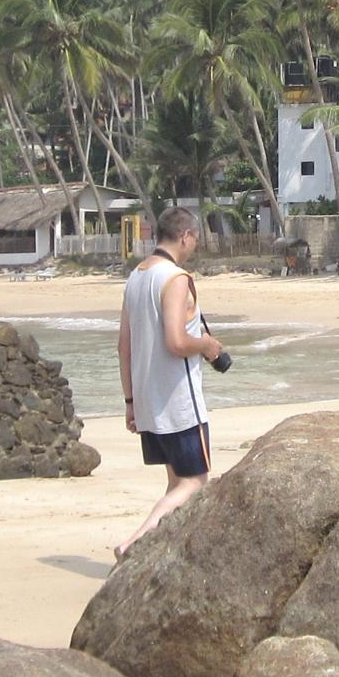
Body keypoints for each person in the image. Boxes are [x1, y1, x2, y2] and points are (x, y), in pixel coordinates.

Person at [114, 207, 224, 559]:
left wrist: (130, 402)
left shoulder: (136, 276)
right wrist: (206, 345)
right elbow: (176, 342)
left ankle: (159, 553)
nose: (195, 246)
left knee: (176, 484)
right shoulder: (176, 279)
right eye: (195, 239)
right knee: (195, 482)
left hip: (148, 401)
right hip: (178, 402)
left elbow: (124, 346)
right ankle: (134, 544)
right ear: (185, 236)